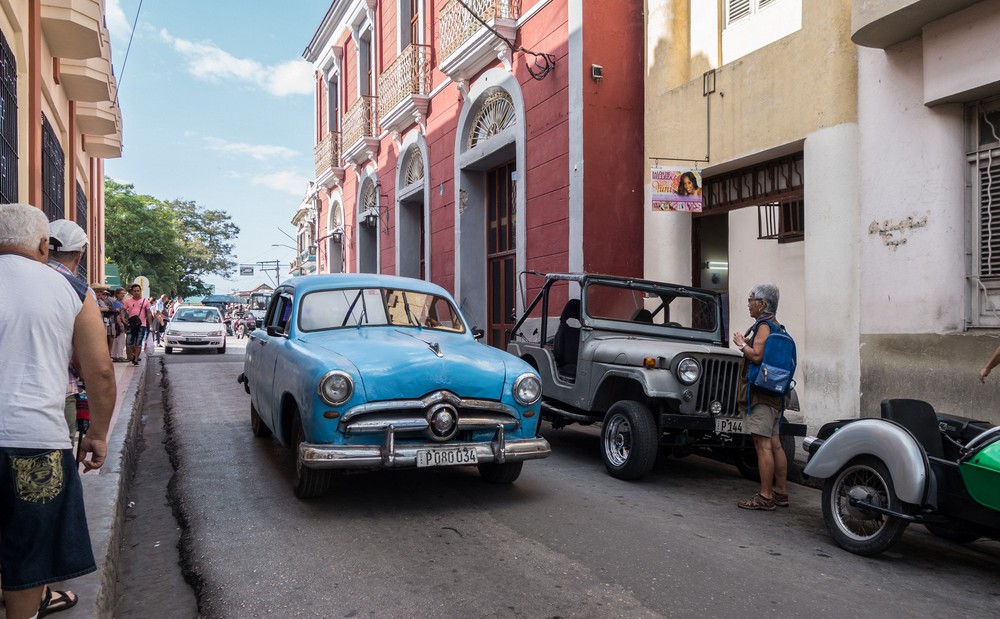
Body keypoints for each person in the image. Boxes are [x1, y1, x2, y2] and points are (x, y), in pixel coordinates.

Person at [0, 203, 116, 619]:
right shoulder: (71, 290)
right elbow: (100, 372)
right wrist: (97, 434)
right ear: (44, 245)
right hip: (36, 444)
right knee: (31, 557)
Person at [731, 283, 789, 511]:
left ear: (762, 304)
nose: (748, 304)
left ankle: (765, 496)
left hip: (761, 395)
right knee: (775, 444)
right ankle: (781, 493)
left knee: (762, 444)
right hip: (775, 394)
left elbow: (756, 356)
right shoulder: (778, 327)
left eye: (751, 299)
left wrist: (741, 343)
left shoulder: (764, 327)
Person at [123, 283, 153, 365]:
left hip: (141, 325)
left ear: (140, 291)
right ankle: (134, 355)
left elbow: (149, 313)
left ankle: (136, 359)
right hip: (131, 324)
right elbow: (123, 310)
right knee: (129, 342)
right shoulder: (128, 301)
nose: (136, 292)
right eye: (135, 291)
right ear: (132, 292)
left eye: (138, 291)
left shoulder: (145, 301)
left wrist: (150, 325)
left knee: (138, 342)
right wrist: (123, 318)